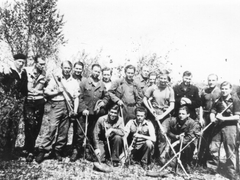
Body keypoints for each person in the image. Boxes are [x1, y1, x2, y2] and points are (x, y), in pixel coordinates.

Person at [36, 61, 80, 163]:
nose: (67, 70)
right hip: (56, 105)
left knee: (63, 132)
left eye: (69, 68)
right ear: (62, 68)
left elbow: (76, 97)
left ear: (71, 69)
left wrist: (75, 111)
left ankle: (57, 151)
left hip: (68, 107)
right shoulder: (55, 79)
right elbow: (46, 92)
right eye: (65, 67)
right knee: (51, 129)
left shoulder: (74, 82)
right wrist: (57, 92)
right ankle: (42, 150)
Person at [70, 64, 109, 162]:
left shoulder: (101, 84)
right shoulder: (84, 82)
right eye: (95, 71)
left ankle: (88, 151)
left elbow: (106, 97)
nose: (96, 73)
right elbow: (79, 96)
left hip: (95, 114)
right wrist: (83, 109)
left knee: (91, 133)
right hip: (84, 113)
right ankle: (76, 151)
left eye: (98, 72)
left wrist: (102, 103)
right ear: (91, 70)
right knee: (80, 133)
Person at [207, 81, 240, 180]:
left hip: (230, 127)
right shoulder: (218, 100)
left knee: (230, 149)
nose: (224, 91)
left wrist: (223, 118)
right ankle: (213, 169)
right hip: (218, 126)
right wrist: (212, 117)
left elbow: (237, 116)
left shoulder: (235, 100)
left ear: (230, 90)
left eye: (226, 89)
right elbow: (213, 111)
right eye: (222, 89)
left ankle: (231, 172)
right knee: (213, 148)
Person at [143, 70, 175, 164]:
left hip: (164, 114)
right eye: (161, 78)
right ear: (158, 78)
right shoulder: (153, 88)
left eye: (165, 78)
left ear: (168, 80)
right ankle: (150, 156)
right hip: (153, 113)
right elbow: (145, 99)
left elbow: (172, 106)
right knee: (152, 133)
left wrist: (162, 116)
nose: (163, 80)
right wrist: (150, 109)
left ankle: (161, 157)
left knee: (162, 134)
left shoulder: (170, 90)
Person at [0, 53, 28, 160]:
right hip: (7, 104)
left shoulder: (24, 73)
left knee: (14, 128)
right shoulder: (7, 72)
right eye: (19, 61)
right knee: (4, 128)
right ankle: (2, 153)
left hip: (18, 105)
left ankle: (9, 152)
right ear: (14, 61)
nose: (21, 64)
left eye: (23, 62)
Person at [162, 106, 200, 172]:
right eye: (179, 114)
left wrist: (178, 142)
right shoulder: (174, 121)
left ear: (188, 115)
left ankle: (187, 163)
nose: (180, 116)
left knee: (187, 147)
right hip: (175, 143)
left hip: (188, 144)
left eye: (183, 114)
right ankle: (175, 165)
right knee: (172, 164)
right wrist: (176, 136)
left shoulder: (192, 123)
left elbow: (190, 137)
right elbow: (169, 132)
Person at [23, 56, 46, 162]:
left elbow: (39, 90)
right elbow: (27, 88)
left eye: (43, 64)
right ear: (35, 64)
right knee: (29, 124)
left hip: (39, 102)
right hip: (29, 102)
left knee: (36, 125)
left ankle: (29, 149)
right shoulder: (26, 70)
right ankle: (29, 148)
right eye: (41, 64)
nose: (42, 66)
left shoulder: (44, 75)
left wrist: (41, 92)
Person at [197, 74, 221, 166]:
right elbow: (200, 106)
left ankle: (212, 160)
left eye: (213, 80)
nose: (211, 82)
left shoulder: (220, 92)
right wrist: (200, 118)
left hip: (215, 117)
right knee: (203, 139)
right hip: (205, 117)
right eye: (209, 80)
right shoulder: (204, 91)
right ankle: (200, 161)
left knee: (213, 140)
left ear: (216, 81)